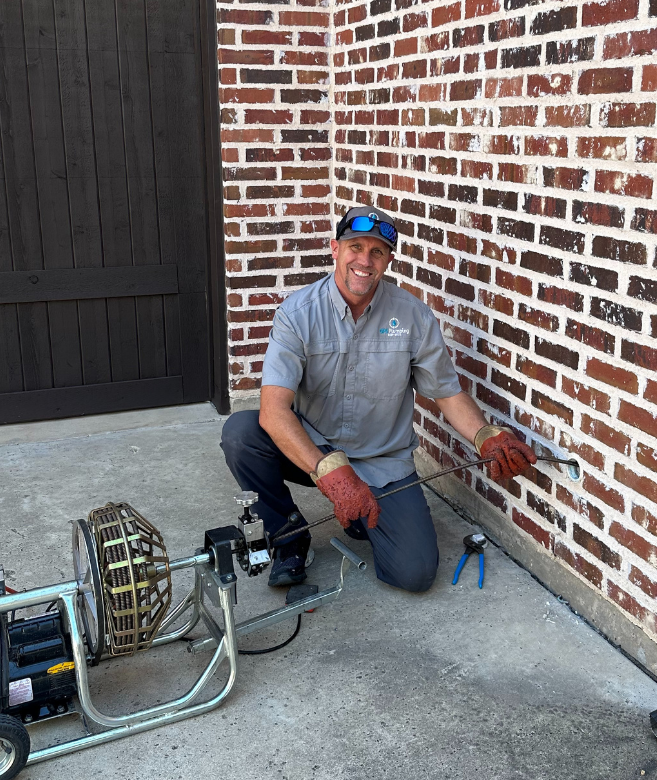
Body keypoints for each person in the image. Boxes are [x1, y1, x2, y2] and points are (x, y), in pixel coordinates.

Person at [220, 204, 537, 591]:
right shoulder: (297, 313)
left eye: (377, 252)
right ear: (335, 249)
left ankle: (361, 518)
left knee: (415, 573)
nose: (364, 261)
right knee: (242, 433)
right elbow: (273, 412)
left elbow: (447, 393)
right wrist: (330, 474)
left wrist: (486, 435)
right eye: (355, 247)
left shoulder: (414, 317)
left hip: (381, 463)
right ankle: (288, 536)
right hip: (314, 453)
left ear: (388, 260)